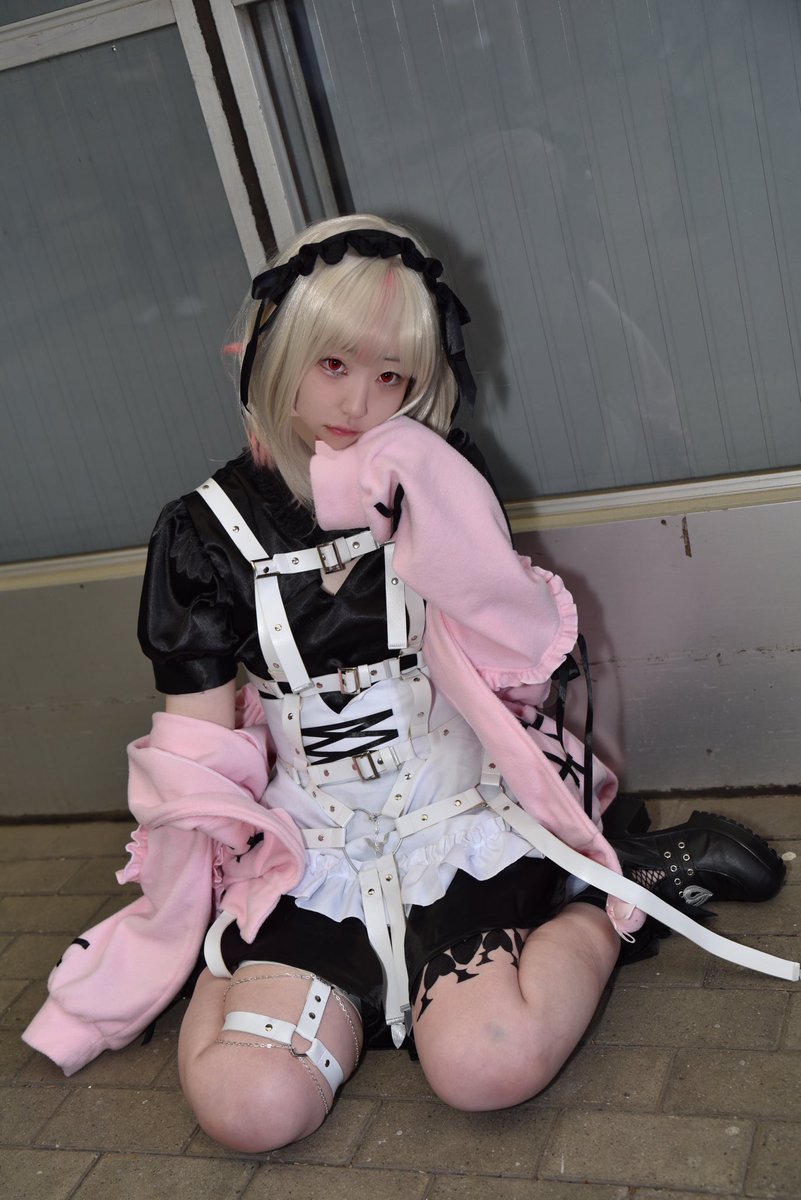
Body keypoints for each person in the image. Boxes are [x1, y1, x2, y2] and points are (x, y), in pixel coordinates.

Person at [23, 214, 791, 1151]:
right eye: (332, 364)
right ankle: (292, 984)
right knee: (249, 1107)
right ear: (272, 352)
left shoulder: (437, 475)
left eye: (391, 377)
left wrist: (428, 495)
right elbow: (197, 744)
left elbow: (516, 646)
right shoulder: (198, 531)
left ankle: (610, 894)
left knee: (488, 1065)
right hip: (312, 846)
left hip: (457, 819)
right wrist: (175, 916)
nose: (358, 401)